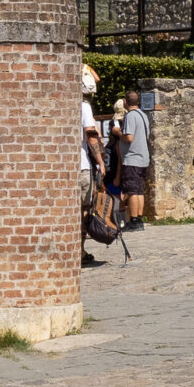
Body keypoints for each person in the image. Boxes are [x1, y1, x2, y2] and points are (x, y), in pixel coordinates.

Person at [116, 91, 152, 229]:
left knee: (131, 191)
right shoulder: (143, 115)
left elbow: (129, 137)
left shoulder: (130, 116)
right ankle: (139, 218)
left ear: (126, 102)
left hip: (132, 158)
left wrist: (118, 133)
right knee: (139, 190)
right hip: (143, 157)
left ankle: (134, 220)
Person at [80, 71, 106, 264]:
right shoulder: (84, 107)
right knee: (84, 208)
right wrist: (100, 161)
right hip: (81, 165)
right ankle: (79, 251)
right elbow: (90, 135)